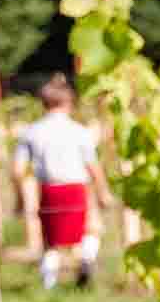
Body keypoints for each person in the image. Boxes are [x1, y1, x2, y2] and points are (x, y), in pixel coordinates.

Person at [12, 74, 111, 289]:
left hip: (49, 190)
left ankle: (49, 285)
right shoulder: (79, 132)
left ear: (44, 103)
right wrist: (103, 192)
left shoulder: (31, 132)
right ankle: (86, 260)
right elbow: (93, 166)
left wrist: (19, 200)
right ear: (68, 103)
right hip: (75, 188)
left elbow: (17, 170)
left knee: (51, 241)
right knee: (91, 230)